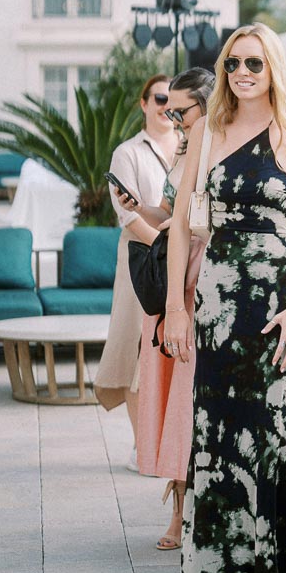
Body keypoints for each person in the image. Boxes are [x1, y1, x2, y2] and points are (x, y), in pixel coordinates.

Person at [164, 23, 286, 573]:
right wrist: (177, 309)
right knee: (218, 440)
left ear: (273, 70)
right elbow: (182, 224)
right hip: (216, 307)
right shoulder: (206, 132)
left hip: (277, 310)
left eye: (254, 63)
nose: (241, 72)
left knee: (276, 432)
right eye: (233, 62)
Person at [131, 68, 215, 550]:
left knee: (193, 398)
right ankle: (180, 507)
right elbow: (169, 215)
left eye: (180, 110)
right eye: (168, 109)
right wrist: (138, 208)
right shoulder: (182, 150)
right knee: (173, 400)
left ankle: (197, 510)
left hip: (204, 281)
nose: (172, 117)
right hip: (172, 282)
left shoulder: (220, 147)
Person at [96, 74, 177, 466]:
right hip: (141, 263)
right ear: (144, 104)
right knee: (136, 350)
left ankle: (166, 442)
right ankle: (139, 444)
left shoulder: (189, 145)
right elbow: (128, 214)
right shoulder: (127, 152)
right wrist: (166, 247)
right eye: (159, 98)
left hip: (178, 265)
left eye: (172, 98)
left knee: (166, 352)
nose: (166, 105)